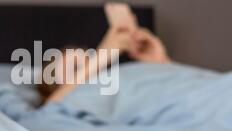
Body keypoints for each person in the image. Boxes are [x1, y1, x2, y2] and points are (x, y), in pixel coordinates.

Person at [37, 23, 171, 104]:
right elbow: (49, 110)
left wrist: (162, 62)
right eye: (77, 69)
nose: (94, 71)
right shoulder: (52, 109)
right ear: (52, 87)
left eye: (90, 61)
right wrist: (101, 56)